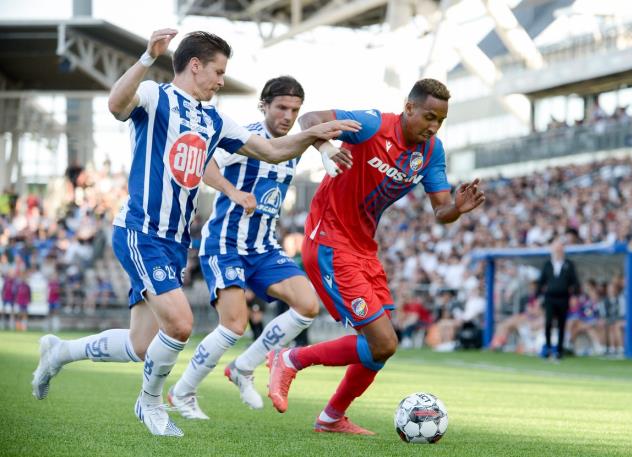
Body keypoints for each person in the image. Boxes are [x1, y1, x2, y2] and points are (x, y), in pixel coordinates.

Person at [30, 29, 359, 437]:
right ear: (196, 66)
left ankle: (60, 352)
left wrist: (314, 135)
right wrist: (147, 58)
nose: (221, 81)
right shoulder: (155, 96)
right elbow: (116, 105)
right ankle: (150, 402)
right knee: (181, 324)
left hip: (175, 241)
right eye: (218, 72)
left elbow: (273, 150)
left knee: (141, 345)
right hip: (141, 230)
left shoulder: (214, 119)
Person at [264, 78, 486, 435]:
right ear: (409, 108)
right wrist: (325, 148)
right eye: (429, 116)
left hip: (364, 249)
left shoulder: (431, 151)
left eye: (441, 120)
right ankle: (290, 359)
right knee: (383, 341)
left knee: (381, 348)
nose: (434, 126)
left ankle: (331, 418)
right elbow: (310, 120)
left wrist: (457, 208)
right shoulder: (372, 125)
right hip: (329, 239)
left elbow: (441, 211)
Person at [167, 76, 334, 418]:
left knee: (307, 305)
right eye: (281, 108)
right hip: (226, 243)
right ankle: (181, 392)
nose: (288, 116)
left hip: (264, 247)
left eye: (294, 110)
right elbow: (205, 163)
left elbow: (313, 133)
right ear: (264, 105)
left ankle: (243, 367)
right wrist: (233, 192)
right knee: (233, 325)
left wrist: (326, 147)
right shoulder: (245, 137)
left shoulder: (292, 145)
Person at [536, 239, 580, 360]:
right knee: (548, 323)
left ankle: (559, 350)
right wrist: (538, 297)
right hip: (550, 298)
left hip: (563, 298)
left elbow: (575, 282)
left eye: (560, 249)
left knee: (562, 324)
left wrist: (574, 296)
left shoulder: (569, 264)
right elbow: (541, 282)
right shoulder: (547, 264)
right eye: (556, 249)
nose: (558, 251)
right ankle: (548, 347)